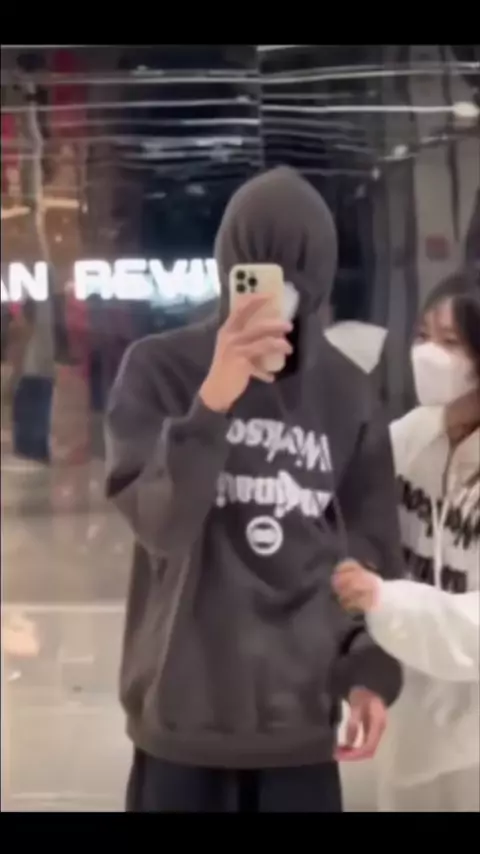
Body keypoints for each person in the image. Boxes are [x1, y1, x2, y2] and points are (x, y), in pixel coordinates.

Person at [105, 166, 403, 813]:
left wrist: (369, 670)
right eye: (259, 270)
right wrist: (213, 399)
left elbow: (371, 550)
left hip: (298, 720)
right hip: (181, 715)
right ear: (229, 267)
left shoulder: (347, 392)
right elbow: (160, 524)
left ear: (320, 276)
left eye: (297, 274)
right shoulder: (159, 368)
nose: (281, 292)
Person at [333, 271, 480, 812]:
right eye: (422, 336)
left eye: (450, 342)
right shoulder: (411, 437)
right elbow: (345, 501)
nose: (428, 354)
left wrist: (384, 599)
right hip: (411, 719)